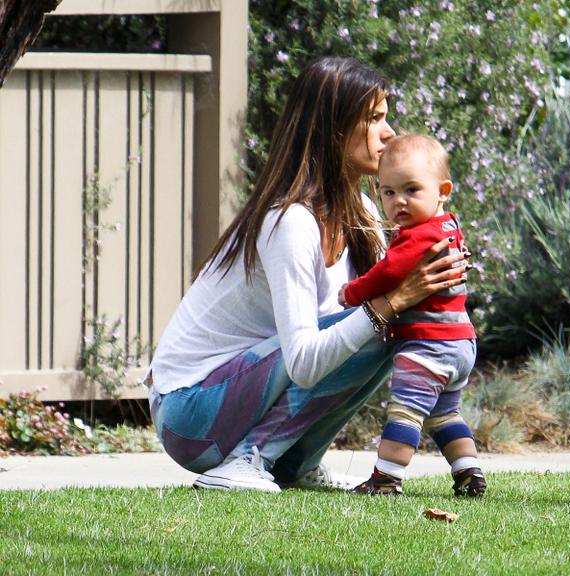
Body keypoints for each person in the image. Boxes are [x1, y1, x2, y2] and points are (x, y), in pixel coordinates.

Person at [144, 57, 470, 493]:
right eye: (374, 119)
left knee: (392, 326)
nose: (388, 133)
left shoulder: (367, 213)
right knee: (378, 320)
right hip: (189, 416)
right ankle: (248, 460)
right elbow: (302, 360)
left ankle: (298, 462)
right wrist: (394, 299)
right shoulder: (291, 222)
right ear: (333, 129)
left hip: (236, 402)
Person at [339, 134, 486, 497]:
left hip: (429, 346)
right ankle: (468, 472)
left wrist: (353, 292)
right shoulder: (448, 226)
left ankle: (386, 479)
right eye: (388, 192)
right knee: (445, 414)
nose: (398, 202)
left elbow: (388, 273)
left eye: (411, 190)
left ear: (443, 190)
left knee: (404, 412)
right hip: (460, 345)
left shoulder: (419, 236)